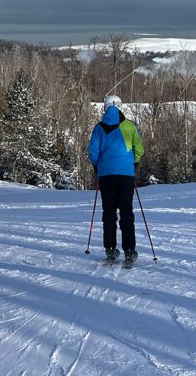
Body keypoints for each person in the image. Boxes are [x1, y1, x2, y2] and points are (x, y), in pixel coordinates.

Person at [88, 94, 144, 264]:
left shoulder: (99, 128)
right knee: (126, 212)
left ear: (105, 107)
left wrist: (98, 166)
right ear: (121, 107)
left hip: (106, 175)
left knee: (109, 212)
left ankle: (110, 250)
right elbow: (139, 149)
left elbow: (92, 152)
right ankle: (129, 250)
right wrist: (133, 163)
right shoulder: (130, 126)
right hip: (126, 174)